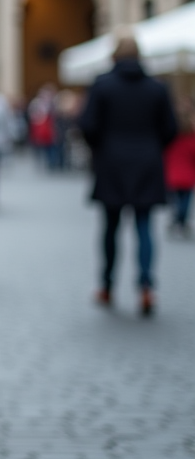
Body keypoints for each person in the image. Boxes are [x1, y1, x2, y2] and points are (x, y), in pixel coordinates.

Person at [79, 34, 177, 317]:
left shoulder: (102, 86)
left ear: (114, 57)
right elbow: (170, 129)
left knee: (110, 228)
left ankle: (107, 285)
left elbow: (88, 125)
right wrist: (151, 147)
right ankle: (146, 286)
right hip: (147, 161)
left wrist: (102, 148)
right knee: (144, 226)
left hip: (112, 162)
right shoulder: (157, 88)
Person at [165, 96, 195, 237]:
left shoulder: (171, 139)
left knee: (176, 200)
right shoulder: (191, 139)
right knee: (185, 201)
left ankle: (177, 219)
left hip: (172, 174)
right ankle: (180, 220)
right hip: (188, 175)